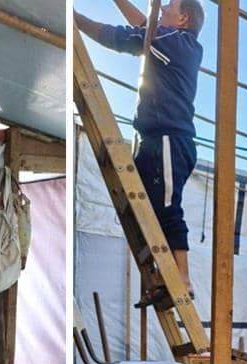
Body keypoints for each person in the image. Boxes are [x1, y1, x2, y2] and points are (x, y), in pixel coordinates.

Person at [74, 0, 204, 294]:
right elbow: (144, 28)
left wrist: (77, 20)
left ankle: (182, 278)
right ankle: (164, 276)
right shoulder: (169, 40)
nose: (162, 8)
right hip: (154, 139)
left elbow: (127, 37)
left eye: (168, 5)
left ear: (183, 19)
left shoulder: (181, 43)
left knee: (167, 207)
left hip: (170, 138)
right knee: (146, 209)